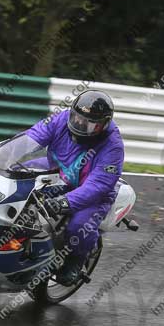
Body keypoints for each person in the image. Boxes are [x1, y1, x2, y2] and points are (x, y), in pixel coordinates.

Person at [24, 89, 124, 285]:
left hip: (91, 192)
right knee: (19, 175)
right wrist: (6, 154)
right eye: (78, 118)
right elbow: (34, 135)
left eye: (89, 124)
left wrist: (65, 202)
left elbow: (99, 185)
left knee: (79, 226)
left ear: (103, 125)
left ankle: (75, 261)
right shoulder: (61, 119)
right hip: (57, 172)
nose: (80, 124)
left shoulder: (113, 146)